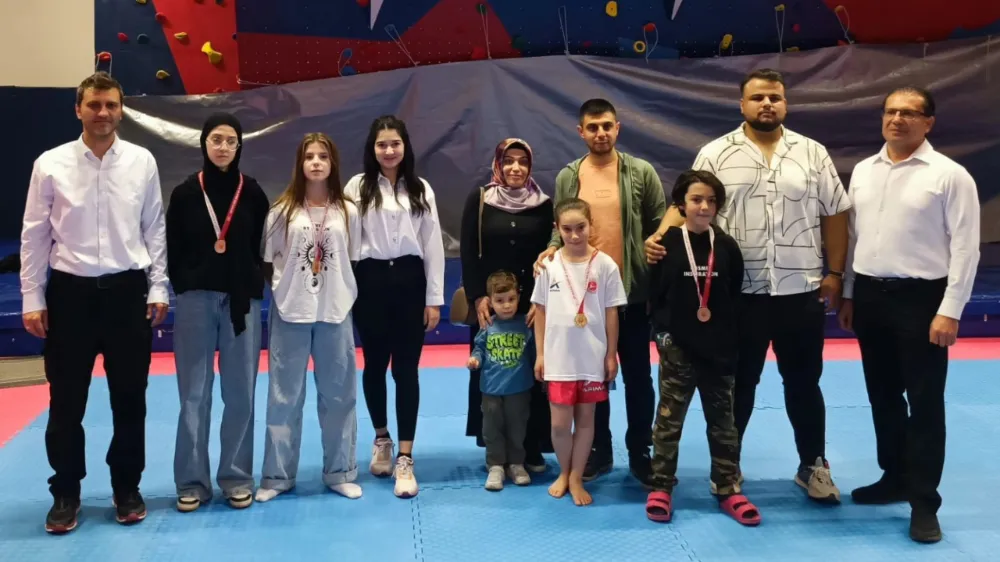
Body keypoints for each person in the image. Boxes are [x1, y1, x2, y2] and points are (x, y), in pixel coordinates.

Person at [645, 68, 850, 503]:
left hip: (801, 289)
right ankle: (728, 469)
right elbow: (685, 201)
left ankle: (813, 465)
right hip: (739, 295)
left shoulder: (812, 153)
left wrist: (835, 273)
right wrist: (660, 238)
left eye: (775, 96)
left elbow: (835, 212)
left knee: (804, 384)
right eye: (757, 97)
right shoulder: (716, 153)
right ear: (742, 105)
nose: (767, 104)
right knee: (740, 385)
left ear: (785, 103)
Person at [19, 71, 169, 533]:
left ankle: (127, 487)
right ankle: (66, 491)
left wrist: (159, 285)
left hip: (127, 293)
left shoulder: (142, 161)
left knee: (131, 399)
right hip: (71, 296)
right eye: (94, 105)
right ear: (78, 110)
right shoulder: (50, 163)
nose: (103, 113)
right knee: (66, 402)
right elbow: (34, 234)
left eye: (111, 105)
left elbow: (154, 227)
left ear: (121, 110)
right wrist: (32, 296)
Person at [838, 87, 980, 543]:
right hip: (870, 296)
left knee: (924, 401)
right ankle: (894, 477)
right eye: (890, 111)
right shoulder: (864, 170)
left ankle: (923, 502)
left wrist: (950, 310)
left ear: (928, 122)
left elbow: (966, 248)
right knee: (882, 396)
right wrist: (849, 293)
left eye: (908, 113)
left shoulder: (950, 175)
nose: (897, 119)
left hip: (923, 299)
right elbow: (854, 237)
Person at [534, 99, 665, 485]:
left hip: (632, 294)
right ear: (581, 132)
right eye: (592, 127)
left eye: (607, 125)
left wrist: (657, 262)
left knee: (638, 378)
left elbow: (660, 225)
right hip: (584, 299)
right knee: (593, 378)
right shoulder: (569, 176)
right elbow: (561, 226)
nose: (601, 133)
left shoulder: (640, 172)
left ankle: (640, 451)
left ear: (618, 127)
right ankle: (599, 450)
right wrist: (550, 249)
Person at [166, 113, 270, 512]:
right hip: (196, 301)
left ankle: (236, 477)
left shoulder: (253, 192)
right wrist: (186, 284)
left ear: (239, 146)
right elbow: (172, 247)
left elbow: (262, 245)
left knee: (241, 392)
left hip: (242, 302)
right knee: (194, 393)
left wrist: (251, 283)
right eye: (216, 139)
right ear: (204, 143)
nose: (223, 147)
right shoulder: (185, 193)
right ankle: (192, 481)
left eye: (230, 140)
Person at [644, 170, 760, 526]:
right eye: (696, 199)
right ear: (681, 204)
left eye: (711, 200)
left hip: (718, 350)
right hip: (678, 349)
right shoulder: (664, 244)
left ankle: (728, 487)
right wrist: (663, 337)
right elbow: (654, 296)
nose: (704, 206)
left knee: (724, 424)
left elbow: (733, 296)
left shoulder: (725, 246)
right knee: (668, 422)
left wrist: (729, 341)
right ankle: (661, 486)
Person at [257, 133, 363, 502]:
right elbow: (269, 259)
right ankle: (277, 476)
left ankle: (340, 471)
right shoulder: (282, 211)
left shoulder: (348, 211)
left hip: (335, 310)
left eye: (323, 156)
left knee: (340, 395)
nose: (316, 162)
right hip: (292, 310)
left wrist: (340, 292)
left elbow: (354, 258)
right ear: (299, 164)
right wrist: (284, 291)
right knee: (284, 396)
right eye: (309, 157)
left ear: (333, 164)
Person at [345, 115, 445, 499]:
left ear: (405, 147)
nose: (389, 151)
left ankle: (405, 456)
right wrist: (345, 292)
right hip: (369, 281)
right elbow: (345, 240)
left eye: (395, 144)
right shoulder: (357, 187)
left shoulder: (420, 188)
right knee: (374, 364)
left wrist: (433, 298)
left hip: (409, 281)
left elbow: (432, 245)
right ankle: (382, 438)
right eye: (382, 144)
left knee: (406, 370)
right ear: (372, 149)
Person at [461, 138, 554, 473]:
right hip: (492, 304)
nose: (516, 167)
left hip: (531, 306)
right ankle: (496, 452)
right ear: (498, 164)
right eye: (509, 161)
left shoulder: (544, 204)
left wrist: (542, 301)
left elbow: (551, 253)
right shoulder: (480, 199)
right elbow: (468, 250)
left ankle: (531, 447)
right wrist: (478, 296)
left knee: (532, 372)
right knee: (493, 371)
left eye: (523, 161)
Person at [531, 198, 628, 506]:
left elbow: (611, 313)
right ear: (557, 229)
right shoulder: (548, 265)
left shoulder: (606, 265)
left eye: (580, 228)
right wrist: (540, 354)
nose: (574, 235)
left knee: (586, 422)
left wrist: (610, 354)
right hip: (558, 357)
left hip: (591, 357)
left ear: (591, 226)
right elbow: (540, 311)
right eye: (567, 229)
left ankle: (575, 477)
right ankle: (564, 471)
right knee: (559, 425)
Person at [467, 270, 537, 491]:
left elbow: (535, 352)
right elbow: (479, 348)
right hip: (491, 389)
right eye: (499, 301)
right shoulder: (488, 325)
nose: (506, 305)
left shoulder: (526, 324)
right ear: (490, 302)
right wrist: (475, 360)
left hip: (519, 388)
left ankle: (516, 463)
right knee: (492, 428)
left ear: (518, 298)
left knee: (518, 427)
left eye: (511, 299)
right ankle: (495, 465)